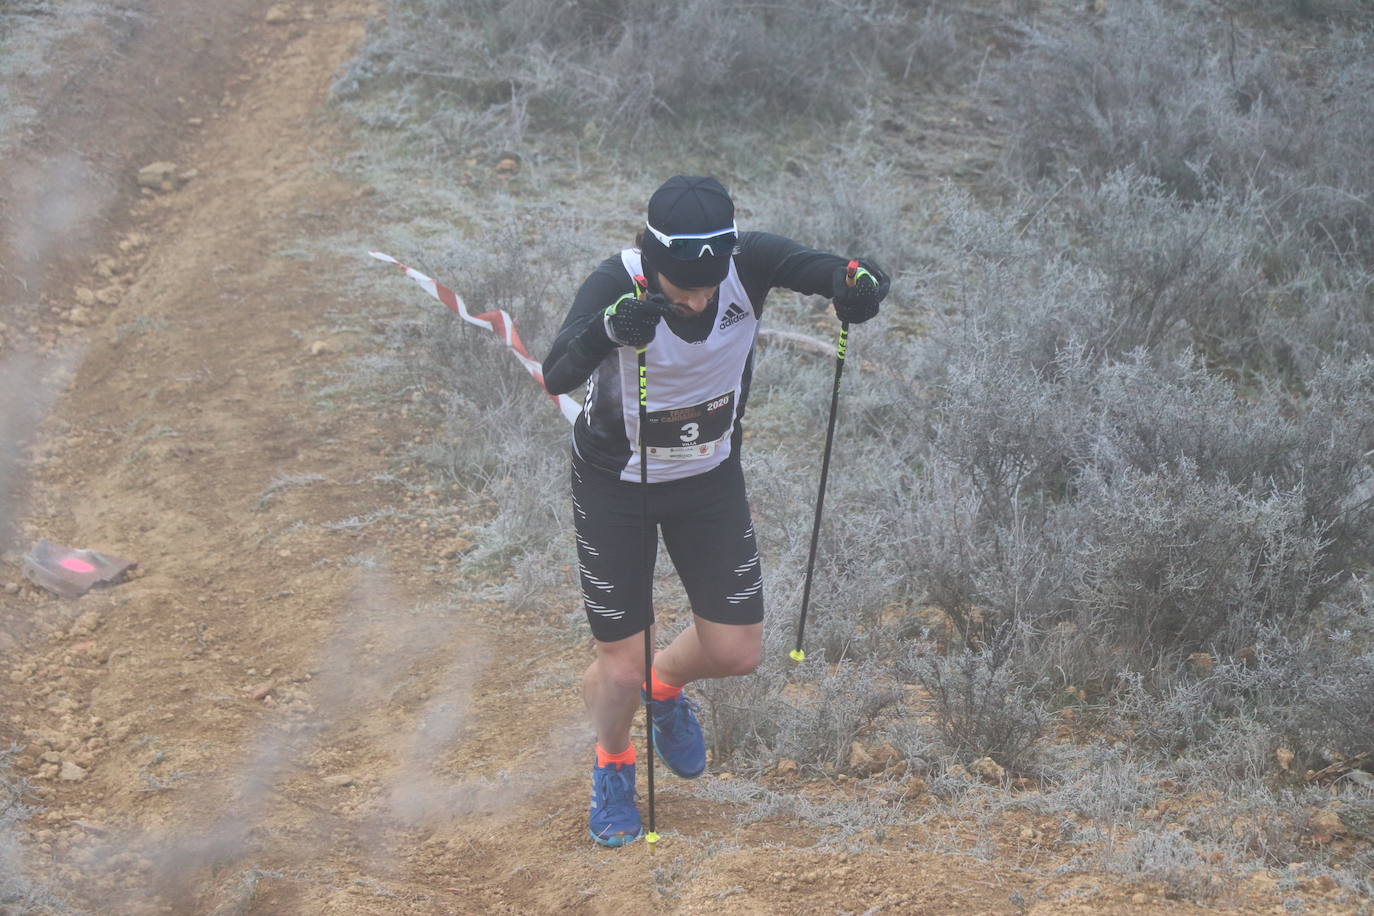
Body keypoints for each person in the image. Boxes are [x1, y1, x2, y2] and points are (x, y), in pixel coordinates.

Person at [541, 176, 889, 847]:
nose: (698, 300)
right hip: (618, 481)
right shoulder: (619, 278)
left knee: (736, 650)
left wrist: (863, 283)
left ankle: (665, 684)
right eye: (681, 290)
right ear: (655, 263)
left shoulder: (747, 261)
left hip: (708, 477)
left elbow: (831, 270)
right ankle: (613, 760)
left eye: (708, 285)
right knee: (618, 668)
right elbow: (556, 371)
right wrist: (610, 329)